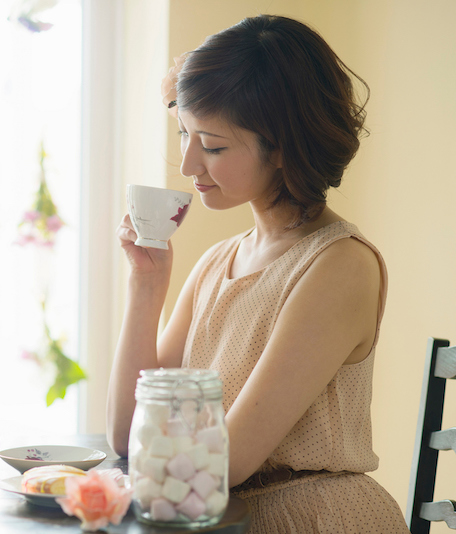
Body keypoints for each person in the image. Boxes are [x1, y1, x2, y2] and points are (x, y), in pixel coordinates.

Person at [106, 14, 409, 532]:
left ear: (283, 146)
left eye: (213, 145)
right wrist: (146, 284)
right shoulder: (216, 264)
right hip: (220, 517)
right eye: (184, 134)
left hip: (310, 521)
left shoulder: (339, 266)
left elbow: (224, 464)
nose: (187, 165)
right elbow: (127, 435)